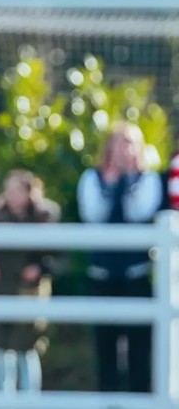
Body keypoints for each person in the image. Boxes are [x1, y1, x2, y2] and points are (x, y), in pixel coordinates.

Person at [78, 122, 160, 393]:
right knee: (105, 346)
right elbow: (93, 216)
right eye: (120, 143)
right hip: (102, 276)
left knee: (139, 348)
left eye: (131, 143)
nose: (126, 150)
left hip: (136, 275)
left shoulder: (148, 179)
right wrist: (110, 186)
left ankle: (140, 398)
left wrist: (128, 182)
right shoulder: (91, 178)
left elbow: (139, 213)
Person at [0, 170, 61, 393]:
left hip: (32, 289)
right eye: (8, 189)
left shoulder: (44, 216)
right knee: (0, 343)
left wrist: (40, 268)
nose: (11, 195)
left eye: (17, 189)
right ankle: (3, 398)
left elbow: (58, 257)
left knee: (27, 345)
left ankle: (30, 398)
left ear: (29, 192)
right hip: (2, 286)